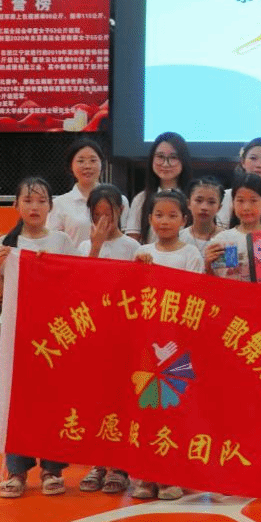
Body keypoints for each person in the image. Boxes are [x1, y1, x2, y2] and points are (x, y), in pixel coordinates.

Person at [0, 176, 78, 499]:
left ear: (51, 206)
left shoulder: (62, 241)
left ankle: (52, 469)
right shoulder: (5, 244)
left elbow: (75, 284)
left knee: (53, 398)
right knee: (16, 398)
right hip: (16, 332)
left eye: (41, 201)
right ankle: (16, 470)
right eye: (28, 201)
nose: (35, 207)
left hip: (54, 333)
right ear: (16, 205)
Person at [130, 189, 203, 500]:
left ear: (184, 220)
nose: (165, 221)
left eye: (172, 216)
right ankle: (145, 475)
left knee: (173, 410)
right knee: (147, 409)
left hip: (177, 348)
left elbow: (193, 297)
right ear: (149, 219)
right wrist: (139, 269)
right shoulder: (142, 253)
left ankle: (170, 474)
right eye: (159, 215)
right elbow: (131, 297)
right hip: (146, 346)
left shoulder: (191, 254)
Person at [76, 183, 139, 495]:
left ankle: (120, 465)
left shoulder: (133, 248)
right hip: (94, 333)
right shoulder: (83, 247)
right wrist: (95, 247)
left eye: (109, 214)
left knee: (122, 399)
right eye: (97, 214)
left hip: (123, 335)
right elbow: (81, 284)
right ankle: (98, 461)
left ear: (120, 211)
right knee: (96, 399)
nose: (104, 220)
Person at [205, 173, 261, 285]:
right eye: (240, 201)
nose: (246, 207)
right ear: (233, 203)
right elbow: (212, 284)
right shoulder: (222, 240)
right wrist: (208, 265)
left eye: (253, 200)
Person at [49, 137, 128, 248]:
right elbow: (53, 243)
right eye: (80, 161)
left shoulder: (120, 200)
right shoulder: (59, 204)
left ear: (102, 164)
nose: (87, 166)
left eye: (93, 160)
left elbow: (124, 240)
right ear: (71, 165)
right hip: (75, 259)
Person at [126, 132, 193, 243]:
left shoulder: (193, 198)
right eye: (160, 157)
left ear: (184, 160)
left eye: (173, 157)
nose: (165, 164)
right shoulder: (141, 199)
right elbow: (133, 243)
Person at [184, 177, 224, 256]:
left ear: (219, 207)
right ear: (188, 203)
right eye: (198, 200)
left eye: (211, 202)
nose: (204, 207)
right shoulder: (178, 238)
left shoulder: (228, 239)